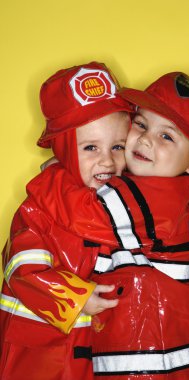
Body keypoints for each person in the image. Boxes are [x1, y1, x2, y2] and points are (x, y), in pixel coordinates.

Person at [25, 71, 189, 379]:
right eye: (141, 124)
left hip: (158, 358)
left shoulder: (155, 198)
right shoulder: (171, 194)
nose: (145, 139)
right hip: (185, 352)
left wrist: (57, 173)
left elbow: (84, 214)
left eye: (167, 136)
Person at [0, 61, 134, 380]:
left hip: (98, 348)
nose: (108, 160)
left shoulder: (126, 201)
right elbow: (22, 268)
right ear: (63, 150)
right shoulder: (39, 206)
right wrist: (76, 297)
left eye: (118, 146)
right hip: (39, 354)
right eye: (90, 147)